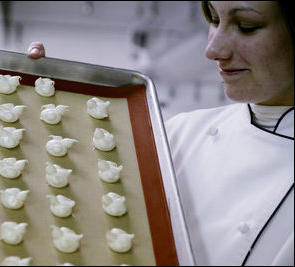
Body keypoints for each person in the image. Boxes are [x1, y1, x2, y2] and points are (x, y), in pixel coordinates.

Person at [27, 1, 294, 265]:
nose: (213, 50)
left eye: (247, 26)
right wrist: (47, 109)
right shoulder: (181, 133)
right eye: (213, 19)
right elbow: (94, 222)